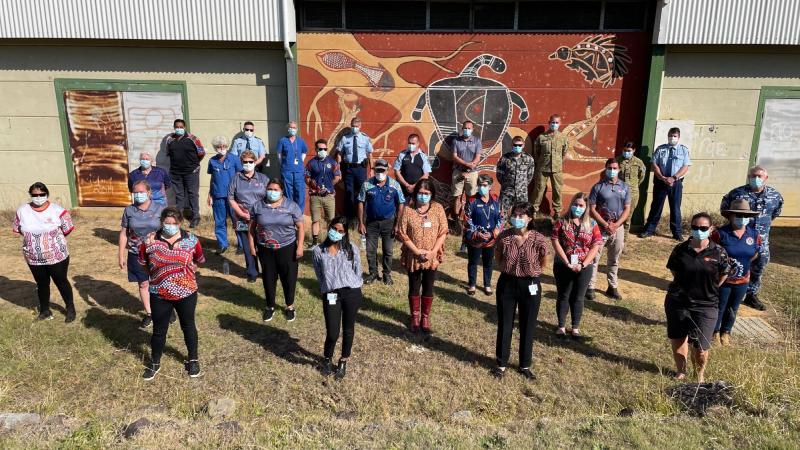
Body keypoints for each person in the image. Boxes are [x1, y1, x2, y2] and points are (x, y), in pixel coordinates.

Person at [139, 207, 205, 380]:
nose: (170, 226)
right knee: (159, 330)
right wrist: (157, 276)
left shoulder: (191, 240)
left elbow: (198, 260)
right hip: (159, 293)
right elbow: (143, 263)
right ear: (161, 222)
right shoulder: (150, 241)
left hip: (187, 292)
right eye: (167, 223)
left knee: (188, 325)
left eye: (174, 223)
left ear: (180, 223)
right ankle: (154, 362)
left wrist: (188, 273)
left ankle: (193, 359)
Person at [665, 212, 731, 382]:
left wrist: (709, 287)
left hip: (706, 305)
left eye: (702, 228)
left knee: (701, 347)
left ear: (711, 229)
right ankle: (681, 371)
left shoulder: (719, 252)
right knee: (679, 339)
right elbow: (674, 270)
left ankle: (699, 375)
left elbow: (724, 273)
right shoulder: (680, 249)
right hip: (678, 302)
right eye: (695, 227)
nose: (698, 231)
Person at [492, 202, 549, 380]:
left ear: (530, 218)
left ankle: (524, 365)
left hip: (530, 284)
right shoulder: (504, 237)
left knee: (528, 325)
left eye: (521, 216)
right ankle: (501, 364)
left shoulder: (539, 239)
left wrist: (530, 271)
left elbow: (544, 261)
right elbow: (498, 257)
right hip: (507, 283)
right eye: (515, 215)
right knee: (505, 324)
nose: (516, 219)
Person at [719, 165, 783, 311]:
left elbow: (775, 213)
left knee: (759, 266)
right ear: (748, 177)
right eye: (753, 175)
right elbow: (725, 210)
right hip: (737, 238)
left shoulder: (775, 195)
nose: (756, 178)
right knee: (730, 263)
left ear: (766, 178)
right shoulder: (736, 193)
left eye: (760, 176)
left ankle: (751, 294)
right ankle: (724, 289)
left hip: (761, 239)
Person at [12, 182, 76, 322]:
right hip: (33, 256)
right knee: (41, 283)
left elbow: (67, 229)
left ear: (47, 194)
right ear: (30, 195)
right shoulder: (22, 211)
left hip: (56, 255)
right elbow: (18, 229)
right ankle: (45, 310)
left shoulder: (57, 211)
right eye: (35, 195)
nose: (38, 197)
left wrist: (49, 241)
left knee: (61, 281)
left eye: (41, 194)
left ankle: (70, 309)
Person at [311, 216, 363, 380]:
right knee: (333, 332)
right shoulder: (318, 251)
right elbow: (320, 275)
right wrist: (326, 290)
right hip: (331, 294)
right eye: (334, 229)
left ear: (345, 233)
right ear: (329, 227)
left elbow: (358, 270)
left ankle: (343, 360)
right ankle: (327, 358)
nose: (337, 233)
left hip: (351, 292)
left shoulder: (351, 249)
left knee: (348, 329)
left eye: (341, 231)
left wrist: (353, 286)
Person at [396, 179, 448, 335]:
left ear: (431, 194)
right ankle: (415, 317)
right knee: (414, 286)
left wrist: (433, 251)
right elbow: (402, 233)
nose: (423, 196)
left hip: (432, 256)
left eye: (426, 194)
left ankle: (425, 317)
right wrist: (416, 251)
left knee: (429, 286)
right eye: (420, 193)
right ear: (415, 193)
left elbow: (443, 231)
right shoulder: (408, 210)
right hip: (414, 256)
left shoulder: (438, 209)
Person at [249, 179, 305, 322]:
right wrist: (251, 247)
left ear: (282, 191)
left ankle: (290, 306)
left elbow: (301, 227)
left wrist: (299, 247)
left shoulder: (291, 206)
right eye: (270, 189)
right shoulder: (258, 206)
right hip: (265, 248)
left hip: (287, 248)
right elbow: (251, 228)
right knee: (268, 278)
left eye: (275, 189)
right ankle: (270, 306)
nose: (272, 192)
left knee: (289, 278)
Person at [551, 193, 603, 337]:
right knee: (563, 295)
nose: (577, 207)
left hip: (584, 266)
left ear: (586, 207)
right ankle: (561, 326)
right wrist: (567, 262)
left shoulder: (592, 224)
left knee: (578, 297)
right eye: (575, 204)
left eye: (581, 205)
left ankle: (575, 327)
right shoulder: (561, 221)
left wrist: (584, 264)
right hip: (563, 264)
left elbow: (595, 245)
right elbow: (555, 241)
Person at [711, 199, 761, 346]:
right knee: (720, 306)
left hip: (743, 280)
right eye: (738, 215)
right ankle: (715, 332)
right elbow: (712, 253)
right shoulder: (720, 234)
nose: (742, 219)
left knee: (734, 307)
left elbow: (754, 254)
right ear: (731, 216)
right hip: (723, 280)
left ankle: (726, 333)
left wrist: (741, 264)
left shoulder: (754, 235)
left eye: (745, 216)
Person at [118, 180, 166, 328]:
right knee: (143, 283)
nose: (138, 195)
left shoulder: (160, 209)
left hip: (157, 253)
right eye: (135, 192)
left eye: (141, 192)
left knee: (161, 281)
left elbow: (169, 230)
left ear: (149, 193)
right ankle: (149, 313)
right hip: (136, 253)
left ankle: (166, 310)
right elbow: (124, 233)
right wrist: (120, 255)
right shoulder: (129, 211)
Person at [587, 158, 631, 301]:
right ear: (605, 169)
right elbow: (592, 209)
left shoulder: (625, 187)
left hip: (617, 228)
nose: (612, 170)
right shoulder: (598, 187)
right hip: (600, 227)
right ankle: (590, 286)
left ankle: (612, 286)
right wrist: (605, 224)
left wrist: (616, 224)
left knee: (614, 259)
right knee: (595, 258)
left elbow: (627, 209)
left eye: (615, 168)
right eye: (609, 168)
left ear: (619, 169)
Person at [358, 159, 405, 285]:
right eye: (377, 170)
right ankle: (373, 273)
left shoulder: (394, 185)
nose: (379, 173)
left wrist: (397, 224)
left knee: (388, 251)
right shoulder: (367, 184)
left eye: (382, 170)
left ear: (387, 170)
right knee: (370, 250)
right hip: (371, 223)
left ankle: (387, 275)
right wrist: (361, 223)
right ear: (373, 170)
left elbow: (401, 203)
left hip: (388, 223)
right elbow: (361, 202)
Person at [640, 127, 691, 240]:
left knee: (675, 208)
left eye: (675, 136)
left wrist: (674, 178)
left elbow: (685, 166)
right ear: (668, 136)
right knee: (656, 206)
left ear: (679, 137)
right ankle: (649, 230)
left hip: (676, 183)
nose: (672, 138)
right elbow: (654, 164)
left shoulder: (683, 150)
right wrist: (662, 177)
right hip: (660, 182)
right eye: (670, 136)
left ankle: (677, 233)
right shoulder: (660, 149)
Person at [228, 150, 268, 282]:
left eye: (251, 161)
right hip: (243, 219)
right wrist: (240, 213)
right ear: (241, 163)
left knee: (263, 246)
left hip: (261, 218)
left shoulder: (263, 178)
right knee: (247, 246)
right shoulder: (236, 178)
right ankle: (252, 272)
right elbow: (231, 198)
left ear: (255, 162)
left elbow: (271, 196)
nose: (248, 164)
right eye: (245, 162)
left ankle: (267, 272)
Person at [462, 174, 504, 296]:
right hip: (475, 239)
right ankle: (472, 284)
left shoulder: (496, 200)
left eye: (484, 185)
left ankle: (487, 285)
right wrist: (477, 233)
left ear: (490, 186)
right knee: (473, 262)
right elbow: (467, 219)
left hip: (491, 239)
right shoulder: (471, 201)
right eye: (479, 185)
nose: (482, 188)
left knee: (488, 263)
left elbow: (501, 218)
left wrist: (494, 232)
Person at [207, 135, 243, 255]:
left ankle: (242, 245)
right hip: (218, 196)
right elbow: (213, 178)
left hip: (233, 196)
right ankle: (223, 244)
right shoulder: (212, 161)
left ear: (227, 147)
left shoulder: (234, 159)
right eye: (218, 146)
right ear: (215, 147)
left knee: (237, 220)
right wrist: (210, 194)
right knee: (219, 221)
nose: (221, 148)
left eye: (224, 146)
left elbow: (240, 175)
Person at [335, 117, 373, 228]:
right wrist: (338, 169)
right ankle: (350, 221)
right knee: (349, 195)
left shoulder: (365, 139)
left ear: (360, 127)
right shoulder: (345, 138)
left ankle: (363, 220)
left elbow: (370, 154)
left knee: (362, 194)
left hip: (361, 169)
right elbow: (339, 154)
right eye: (352, 126)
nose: (354, 128)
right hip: (348, 170)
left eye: (356, 126)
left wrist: (372, 170)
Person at [166, 119, 205, 227]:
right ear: (174, 128)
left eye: (181, 127)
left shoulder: (193, 139)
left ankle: (195, 216)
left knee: (192, 194)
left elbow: (201, 153)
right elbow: (169, 153)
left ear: (185, 127)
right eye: (177, 127)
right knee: (179, 195)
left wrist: (194, 164)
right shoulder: (170, 140)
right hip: (175, 172)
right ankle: (179, 217)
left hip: (191, 171)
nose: (179, 129)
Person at [531, 114, 570, 219]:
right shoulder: (541, 137)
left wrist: (558, 162)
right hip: (542, 168)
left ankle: (557, 213)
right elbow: (536, 152)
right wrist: (540, 162)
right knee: (539, 189)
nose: (555, 124)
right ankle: (533, 211)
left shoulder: (563, 138)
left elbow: (565, 153)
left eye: (557, 123)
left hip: (557, 169)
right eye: (553, 122)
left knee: (557, 190)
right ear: (549, 123)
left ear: (560, 124)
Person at [305, 139, 341, 246]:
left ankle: (331, 241)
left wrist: (329, 187)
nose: (323, 151)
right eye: (320, 149)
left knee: (331, 220)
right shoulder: (311, 163)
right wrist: (313, 186)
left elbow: (338, 177)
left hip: (329, 196)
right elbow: (306, 177)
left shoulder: (332, 162)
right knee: (315, 220)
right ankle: (315, 242)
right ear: (316, 149)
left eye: (325, 149)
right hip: (315, 196)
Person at [496, 136, 536, 216]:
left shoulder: (528, 159)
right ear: (512, 145)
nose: (517, 147)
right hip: (507, 190)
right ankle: (504, 226)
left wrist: (522, 185)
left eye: (520, 145)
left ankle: (518, 227)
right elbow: (499, 174)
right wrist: (506, 184)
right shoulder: (505, 158)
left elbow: (530, 175)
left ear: (523, 145)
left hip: (522, 192)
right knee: (503, 212)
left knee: (522, 212)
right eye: (515, 145)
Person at [450, 120, 482, 220]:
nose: (467, 130)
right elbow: (454, 156)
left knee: (471, 197)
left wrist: (473, 165)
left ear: (472, 129)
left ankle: (468, 219)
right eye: (465, 128)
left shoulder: (477, 141)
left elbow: (478, 156)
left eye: (469, 128)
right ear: (462, 129)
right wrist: (466, 164)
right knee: (457, 197)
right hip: (458, 172)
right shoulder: (456, 141)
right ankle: (456, 219)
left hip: (472, 173)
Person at [277, 121, 309, 213]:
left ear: (297, 129)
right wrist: (283, 164)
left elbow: (304, 151)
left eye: (294, 128)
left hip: (298, 171)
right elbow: (279, 154)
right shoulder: (282, 140)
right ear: (288, 129)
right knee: (288, 193)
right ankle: (289, 212)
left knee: (300, 192)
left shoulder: (301, 141)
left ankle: (299, 214)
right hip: (287, 171)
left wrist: (301, 160)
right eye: (291, 127)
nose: (292, 129)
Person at [616, 140, 646, 231]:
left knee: (628, 217)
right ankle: (615, 237)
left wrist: (633, 186)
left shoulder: (638, 162)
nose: (626, 152)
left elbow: (641, 177)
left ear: (634, 150)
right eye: (625, 150)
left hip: (632, 193)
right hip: (619, 191)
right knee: (617, 215)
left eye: (629, 151)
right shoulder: (617, 160)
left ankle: (624, 240)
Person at [393, 133, 431, 198]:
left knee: (416, 207)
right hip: (403, 189)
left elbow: (426, 175)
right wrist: (407, 185)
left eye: (413, 143)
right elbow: (397, 171)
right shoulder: (402, 154)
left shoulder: (423, 156)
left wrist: (414, 186)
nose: (411, 145)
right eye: (409, 143)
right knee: (402, 207)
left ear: (418, 143)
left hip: (418, 190)